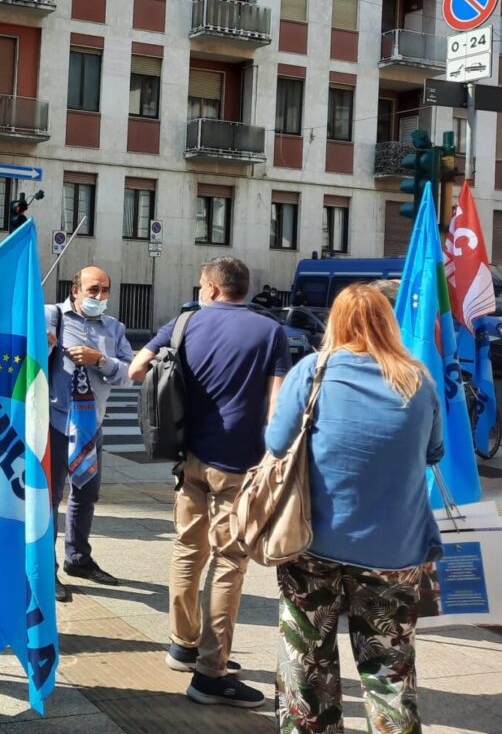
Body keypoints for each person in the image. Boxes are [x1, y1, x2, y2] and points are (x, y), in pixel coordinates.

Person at [266, 283, 442, 733]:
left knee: (307, 661)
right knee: (389, 669)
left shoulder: (314, 371)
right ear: (388, 323)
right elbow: (435, 451)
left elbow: (275, 442)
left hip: (314, 543)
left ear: (336, 322)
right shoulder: (418, 379)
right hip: (395, 550)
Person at [129, 256, 290, 709]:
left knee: (187, 550)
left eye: (202, 284)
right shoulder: (270, 331)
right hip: (238, 465)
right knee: (229, 562)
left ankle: (183, 645)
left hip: (188, 459)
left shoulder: (183, 324)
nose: (200, 291)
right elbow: (276, 407)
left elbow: (136, 371)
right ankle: (211, 672)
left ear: (214, 289)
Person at [45, 265, 135, 602]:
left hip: (90, 426)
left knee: (85, 494)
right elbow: (26, 359)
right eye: (93, 289)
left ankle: (78, 560)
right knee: (50, 500)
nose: (99, 296)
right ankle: (46, 568)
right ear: (75, 289)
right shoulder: (51, 316)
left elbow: (130, 374)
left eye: (104, 290)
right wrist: (45, 345)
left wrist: (101, 360)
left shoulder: (114, 328)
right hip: (55, 423)